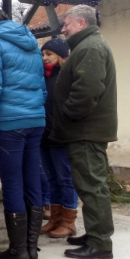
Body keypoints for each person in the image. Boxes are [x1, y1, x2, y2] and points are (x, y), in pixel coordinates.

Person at [0, 9, 46, 259]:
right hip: (35, 120)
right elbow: (41, 84)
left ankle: (19, 251)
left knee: (13, 183)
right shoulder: (31, 40)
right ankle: (32, 249)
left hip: (9, 124)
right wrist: (36, 111)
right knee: (32, 181)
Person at [51, 5, 118, 259]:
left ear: (81, 22)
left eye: (66, 24)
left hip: (85, 131)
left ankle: (100, 244)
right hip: (84, 131)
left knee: (92, 187)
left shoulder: (90, 47)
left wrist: (67, 114)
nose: (63, 28)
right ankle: (95, 235)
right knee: (89, 185)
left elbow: (87, 91)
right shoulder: (87, 45)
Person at [38, 38, 80, 239]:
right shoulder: (43, 78)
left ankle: (68, 221)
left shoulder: (67, 77)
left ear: (61, 57)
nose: (45, 58)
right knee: (51, 179)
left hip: (61, 137)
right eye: (43, 54)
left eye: (49, 54)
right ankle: (54, 219)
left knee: (66, 179)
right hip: (45, 136)